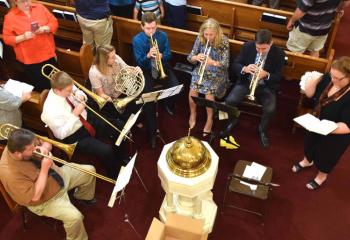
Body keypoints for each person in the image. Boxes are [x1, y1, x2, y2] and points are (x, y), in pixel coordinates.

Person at [0, 128, 96, 240]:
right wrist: (45, 169)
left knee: (90, 170)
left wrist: (45, 147)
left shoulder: (25, 140)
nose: (35, 149)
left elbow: (46, 142)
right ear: (17, 153)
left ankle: (82, 196)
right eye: (31, 149)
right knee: (75, 217)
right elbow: (35, 197)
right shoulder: (9, 173)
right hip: (45, 200)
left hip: (59, 176)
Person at [41, 70, 128, 178]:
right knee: (106, 150)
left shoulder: (66, 86)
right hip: (75, 135)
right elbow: (60, 135)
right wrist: (74, 115)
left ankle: (121, 157)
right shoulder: (49, 111)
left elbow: (78, 91)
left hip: (88, 119)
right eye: (68, 91)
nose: (71, 92)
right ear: (57, 91)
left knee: (119, 127)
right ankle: (115, 174)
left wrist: (80, 95)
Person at [292, 57, 350, 190]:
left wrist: (324, 128)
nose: (333, 80)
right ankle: (307, 161)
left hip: (336, 134)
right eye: (331, 75)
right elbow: (309, 94)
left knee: (327, 156)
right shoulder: (327, 79)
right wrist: (315, 79)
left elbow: (347, 126)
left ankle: (321, 176)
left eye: (337, 78)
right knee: (309, 144)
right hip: (317, 123)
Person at [223, 29, 285, 148]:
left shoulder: (279, 53)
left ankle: (262, 129)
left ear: (271, 43)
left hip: (265, 86)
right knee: (230, 101)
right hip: (246, 82)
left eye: (264, 49)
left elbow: (278, 77)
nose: (260, 52)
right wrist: (245, 68)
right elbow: (235, 64)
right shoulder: (247, 47)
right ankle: (232, 120)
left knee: (271, 109)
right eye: (258, 48)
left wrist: (266, 74)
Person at [132, 12, 179, 148]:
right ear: (142, 27)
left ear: (156, 25)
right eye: (148, 28)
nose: (151, 31)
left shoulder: (163, 36)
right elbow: (139, 62)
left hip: (162, 68)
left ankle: (167, 104)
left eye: (153, 28)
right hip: (146, 71)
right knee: (148, 99)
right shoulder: (137, 40)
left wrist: (161, 55)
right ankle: (152, 133)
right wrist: (148, 55)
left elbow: (169, 55)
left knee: (175, 87)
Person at [2, 0, 58, 91]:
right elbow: (7, 39)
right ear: (16, 2)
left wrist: (45, 29)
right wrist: (23, 37)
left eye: (27, 0)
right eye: (22, 2)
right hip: (30, 60)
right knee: (43, 88)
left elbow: (54, 22)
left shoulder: (40, 7)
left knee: (56, 84)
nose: (26, 3)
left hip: (48, 54)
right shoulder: (10, 17)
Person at [187, 18, 229, 136]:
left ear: (217, 32)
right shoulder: (200, 38)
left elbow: (225, 64)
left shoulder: (224, 41)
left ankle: (209, 119)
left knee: (208, 93)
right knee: (193, 89)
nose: (208, 37)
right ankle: (193, 113)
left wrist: (213, 62)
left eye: (211, 34)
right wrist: (196, 57)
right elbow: (190, 57)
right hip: (202, 70)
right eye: (206, 34)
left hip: (217, 71)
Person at [89, 45, 142, 118]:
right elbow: (100, 94)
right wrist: (116, 102)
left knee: (138, 107)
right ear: (104, 59)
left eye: (114, 55)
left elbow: (127, 69)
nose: (115, 58)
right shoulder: (94, 72)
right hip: (109, 99)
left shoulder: (116, 57)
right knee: (124, 118)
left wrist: (135, 70)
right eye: (112, 57)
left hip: (121, 91)